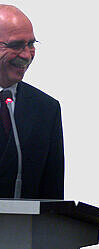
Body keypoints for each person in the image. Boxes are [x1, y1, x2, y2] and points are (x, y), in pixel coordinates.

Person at [0, 5, 64, 200]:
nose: (27, 55)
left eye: (31, 44)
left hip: (22, 230)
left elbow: (51, 198)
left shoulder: (46, 109)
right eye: (16, 45)